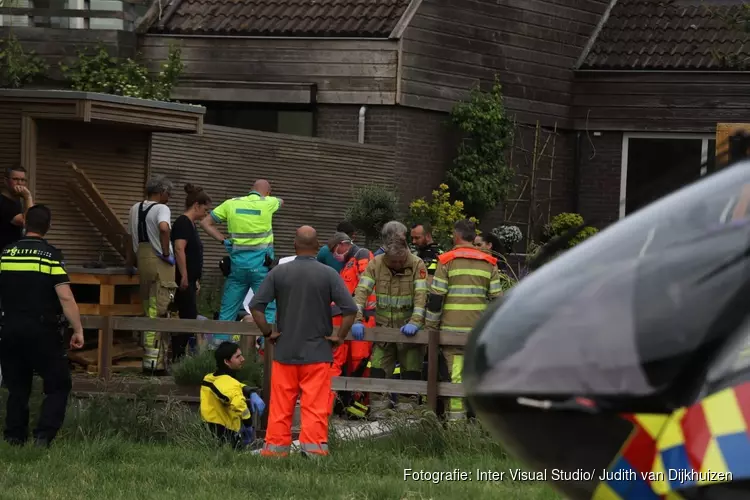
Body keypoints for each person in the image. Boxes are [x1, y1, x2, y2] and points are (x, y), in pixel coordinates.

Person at [249, 225, 357, 457]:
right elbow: (350, 309)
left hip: (285, 351)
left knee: (280, 407)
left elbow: (256, 307)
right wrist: (338, 336)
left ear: (294, 246)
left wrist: (269, 333)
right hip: (318, 353)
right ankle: (314, 451)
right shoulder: (329, 274)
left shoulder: (279, 272)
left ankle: (275, 451)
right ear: (318, 248)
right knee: (315, 407)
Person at [0, 204, 85, 447]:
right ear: (48, 227)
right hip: (41, 332)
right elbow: (65, 296)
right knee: (58, 384)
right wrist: (77, 329)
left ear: (25, 223)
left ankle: (14, 437)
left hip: (9, 329)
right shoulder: (51, 256)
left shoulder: (6, 253)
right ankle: (43, 436)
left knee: (17, 388)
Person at [425, 219, 503, 420]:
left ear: (456, 236)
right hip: (478, 334)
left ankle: (456, 428)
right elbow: (498, 302)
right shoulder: (489, 263)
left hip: (451, 333)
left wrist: (430, 328)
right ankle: (477, 426)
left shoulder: (446, 260)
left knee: (455, 378)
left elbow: (436, 300)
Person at [353, 236, 428, 418]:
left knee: (410, 372)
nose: (396, 265)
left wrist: (415, 322)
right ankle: (379, 413)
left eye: (400, 261)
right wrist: (357, 319)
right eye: (392, 261)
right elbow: (361, 292)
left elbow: (421, 297)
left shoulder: (417, 265)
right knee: (378, 369)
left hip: (410, 332)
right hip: (383, 330)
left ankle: (407, 414)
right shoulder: (376, 264)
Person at [201, 180, 282, 341]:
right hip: (260, 268)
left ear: (250, 189)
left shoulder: (231, 204)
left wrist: (223, 240)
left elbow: (205, 223)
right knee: (268, 309)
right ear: (267, 193)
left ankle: (221, 352)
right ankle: (266, 352)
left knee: (227, 312)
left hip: (237, 267)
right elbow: (281, 201)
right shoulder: (268, 203)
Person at [126, 175, 176, 374]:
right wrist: (165, 252)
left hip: (143, 263)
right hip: (159, 265)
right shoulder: (161, 208)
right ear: (161, 192)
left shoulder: (134, 208)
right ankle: (156, 364)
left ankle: (149, 360)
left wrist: (130, 262)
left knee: (149, 309)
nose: (169, 198)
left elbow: (128, 237)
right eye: (168, 194)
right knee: (161, 310)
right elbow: (164, 228)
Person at [324, 232, 376, 417]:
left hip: (360, 320)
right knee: (342, 363)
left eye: (334, 250)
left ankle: (357, 407)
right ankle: (338, 407)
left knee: (360, 363)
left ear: (344, 244)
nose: (333, 254)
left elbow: (365, 286)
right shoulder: (348, 263)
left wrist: (359, 317)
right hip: (347, 319)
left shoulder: (362, 256)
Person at [171, 184, 211, 363]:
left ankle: (179, 356)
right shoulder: (182, 223)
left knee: (190, 316)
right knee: (187, 318)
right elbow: (180, 248)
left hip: (191, 279)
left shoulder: (192, 225)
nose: (206, 213)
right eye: (205, 209)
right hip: (182, 279)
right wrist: (185, 275)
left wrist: (195, 279)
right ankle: (176, 357)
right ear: (196, 205)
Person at [200, 341, 266, 449]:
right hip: (225, 435)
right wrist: (249, 426)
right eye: (238, 356)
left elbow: (234, 386)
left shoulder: (208, 378)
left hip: (209, 429)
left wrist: (250, 391)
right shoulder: (229, 383)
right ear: (227, 361)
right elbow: (240, 405)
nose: (243, 359)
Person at [0, 165, 33, 253]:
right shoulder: (3, 202)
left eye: (22, 180)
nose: (19, 183)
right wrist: (28, 197)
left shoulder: (17, 202)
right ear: (6, 181)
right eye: (15, 179)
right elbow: (28, 221)